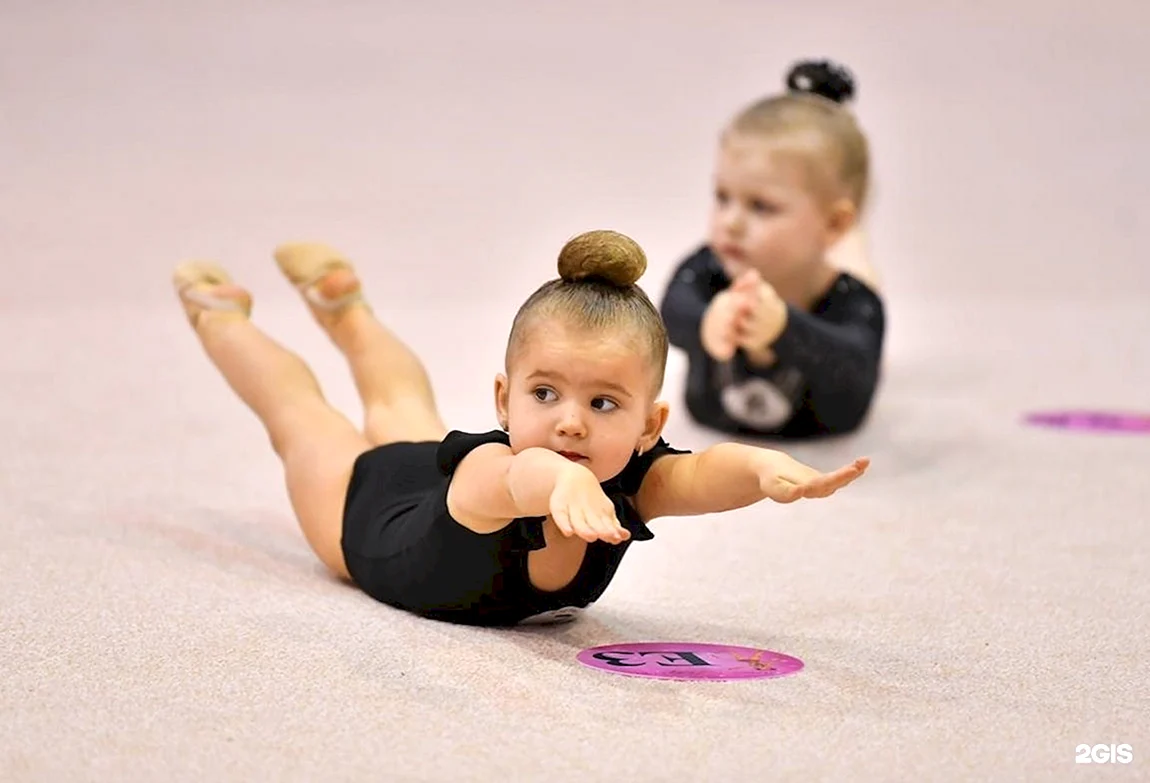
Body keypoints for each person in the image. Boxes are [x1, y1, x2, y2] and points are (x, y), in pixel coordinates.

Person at [172, 229, 869, 627]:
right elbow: (524, 476)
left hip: (422, 483)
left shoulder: (630, 476)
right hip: (363, 512)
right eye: (545, 392)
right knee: (302, 417)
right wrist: (562, 476)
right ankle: (222, 316)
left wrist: (760, 469)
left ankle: (346, 308)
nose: (569, 421)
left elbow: (697, 475)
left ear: (650, 423)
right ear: (504, 400)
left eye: (603, 404)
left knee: (396, 401)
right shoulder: (493, 467)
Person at [659, 59, 885, 439]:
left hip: (820, 443)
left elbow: (855, 366)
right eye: (722, 196)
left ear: (833, 224)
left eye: (760, 206)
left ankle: (856, 247)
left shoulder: (854, 301)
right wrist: (706, 322)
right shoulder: (708, 270)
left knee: (861, 268)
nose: (730, 221)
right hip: (710, 435)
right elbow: (670, 316)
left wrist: (784, 329)